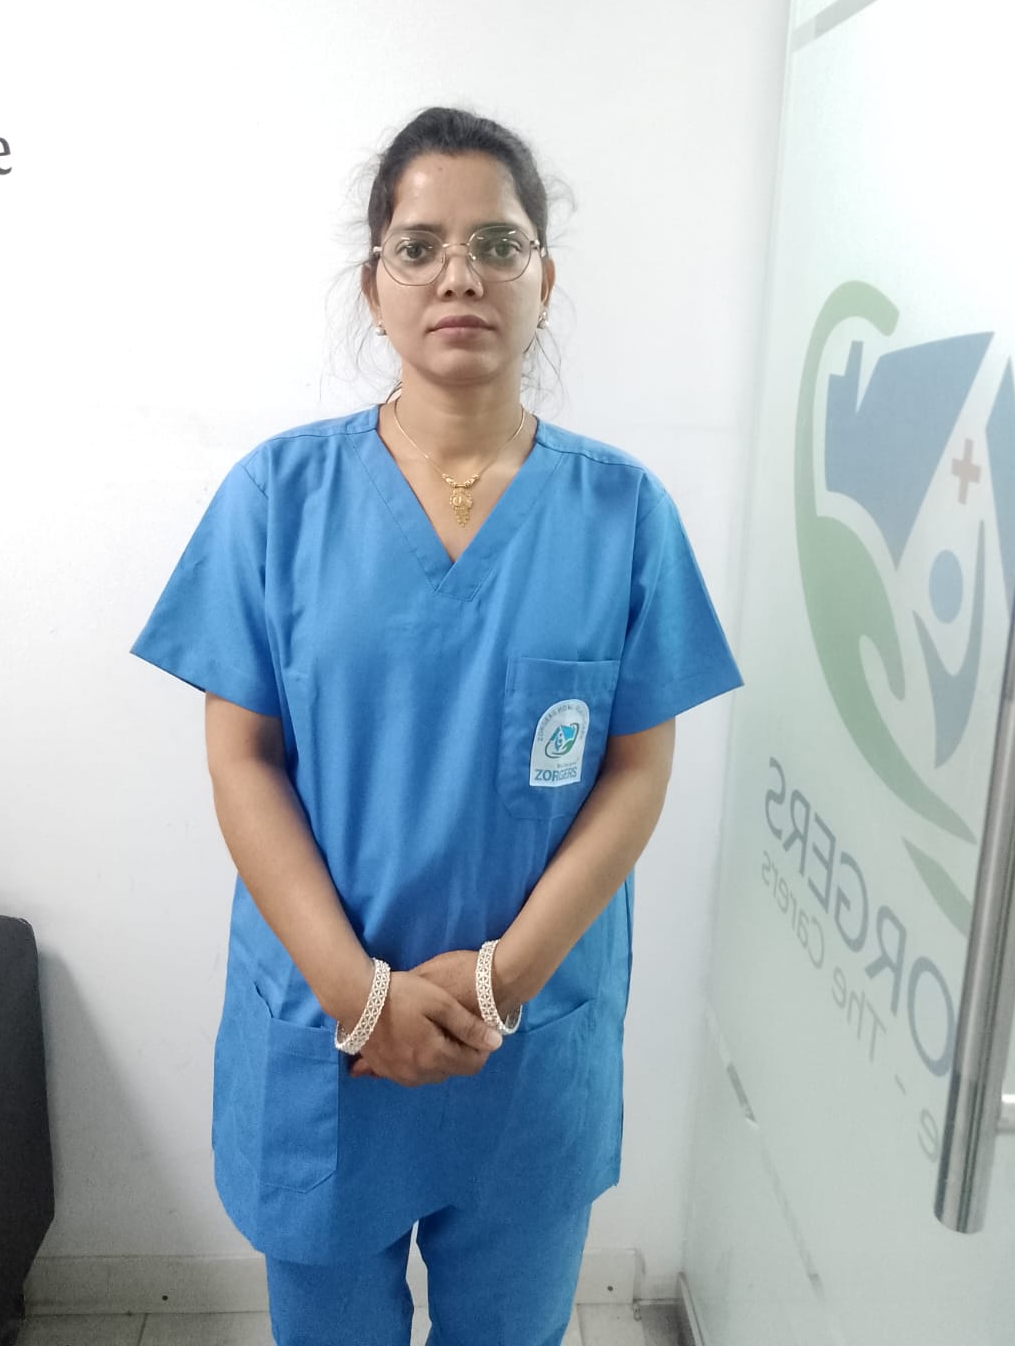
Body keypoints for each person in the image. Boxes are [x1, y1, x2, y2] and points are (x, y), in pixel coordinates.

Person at [129, 105, 744, 1346]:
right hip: (326, 1039)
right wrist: (359, 997)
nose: (459, 274)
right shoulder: (276, 499)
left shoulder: (622, 513)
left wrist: (498, 983)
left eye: (497, 244)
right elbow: (242, 760)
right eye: (418, 247)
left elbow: (636, 769)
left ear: (544, 280)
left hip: (527, 1040)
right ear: (375, 286)